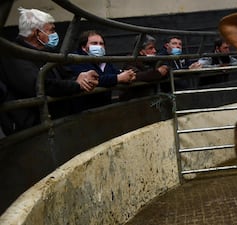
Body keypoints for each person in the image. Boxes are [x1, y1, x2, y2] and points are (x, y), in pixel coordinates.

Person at [0, 7, 99, 135]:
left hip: (57, 122)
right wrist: (76, 84)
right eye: (51, 30)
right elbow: (38, 85)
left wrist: (81, 77)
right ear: (37, 33)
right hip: (33, 130)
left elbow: (67, 74)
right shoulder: (14, 55)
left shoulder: (46, 53)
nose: (54, 34)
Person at [68, 30, 136, 110]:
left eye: (101, 43)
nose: (99, 46)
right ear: (83, 47)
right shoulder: (76, 59)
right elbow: (92, 80)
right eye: (94, 43)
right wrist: (118, 78)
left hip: (104, 107)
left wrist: (128, 75)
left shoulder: (104, 61)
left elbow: (115, 72)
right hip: (84, 109)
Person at [120, 35, 169, 100]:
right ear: (141, 51)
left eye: (154, 48)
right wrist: (158, 73)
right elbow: (135, 76)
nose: (154, 51)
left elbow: (165, 70)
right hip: (134, 101)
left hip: (150, 99)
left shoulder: (153, 60)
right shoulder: (131, 60)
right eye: (150, 48)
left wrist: (164, 68)